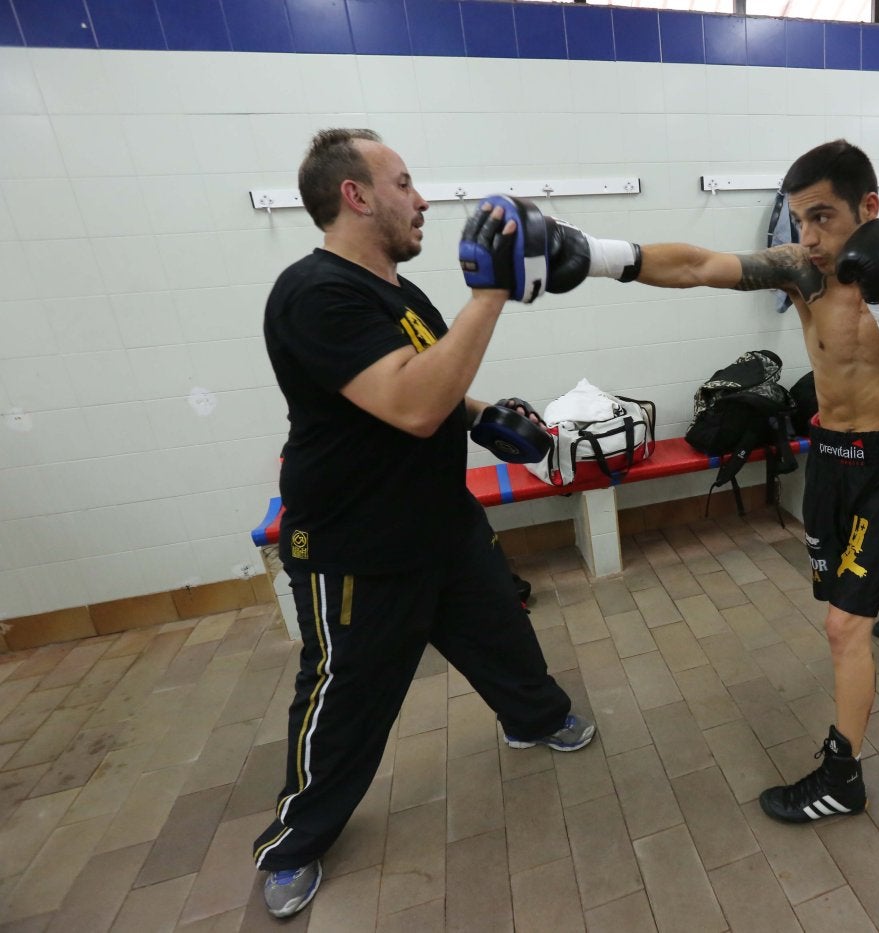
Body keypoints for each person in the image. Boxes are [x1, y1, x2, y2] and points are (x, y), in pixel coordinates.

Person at [512, 139, 879, 822]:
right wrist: (595, 254)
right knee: (840, 591)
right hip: (831, 455)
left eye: (823, 218)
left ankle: (843, 777)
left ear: (869, 207)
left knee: (843, 626)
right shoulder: (803, 271)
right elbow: (698, 265)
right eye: (799, 219)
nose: (808, 237)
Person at [253, 129, 595, 918]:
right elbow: (409, 405)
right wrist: (491, 294)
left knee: (502, 632)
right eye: (404, 183)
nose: (423, 200)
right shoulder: (315, 293)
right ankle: (295, 840)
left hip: (441, 521)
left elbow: (426, 379)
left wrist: (482, 415)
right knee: (345, 698)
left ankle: (536, 718)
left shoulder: (401, 294)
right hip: (355, 546)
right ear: (355, 195)